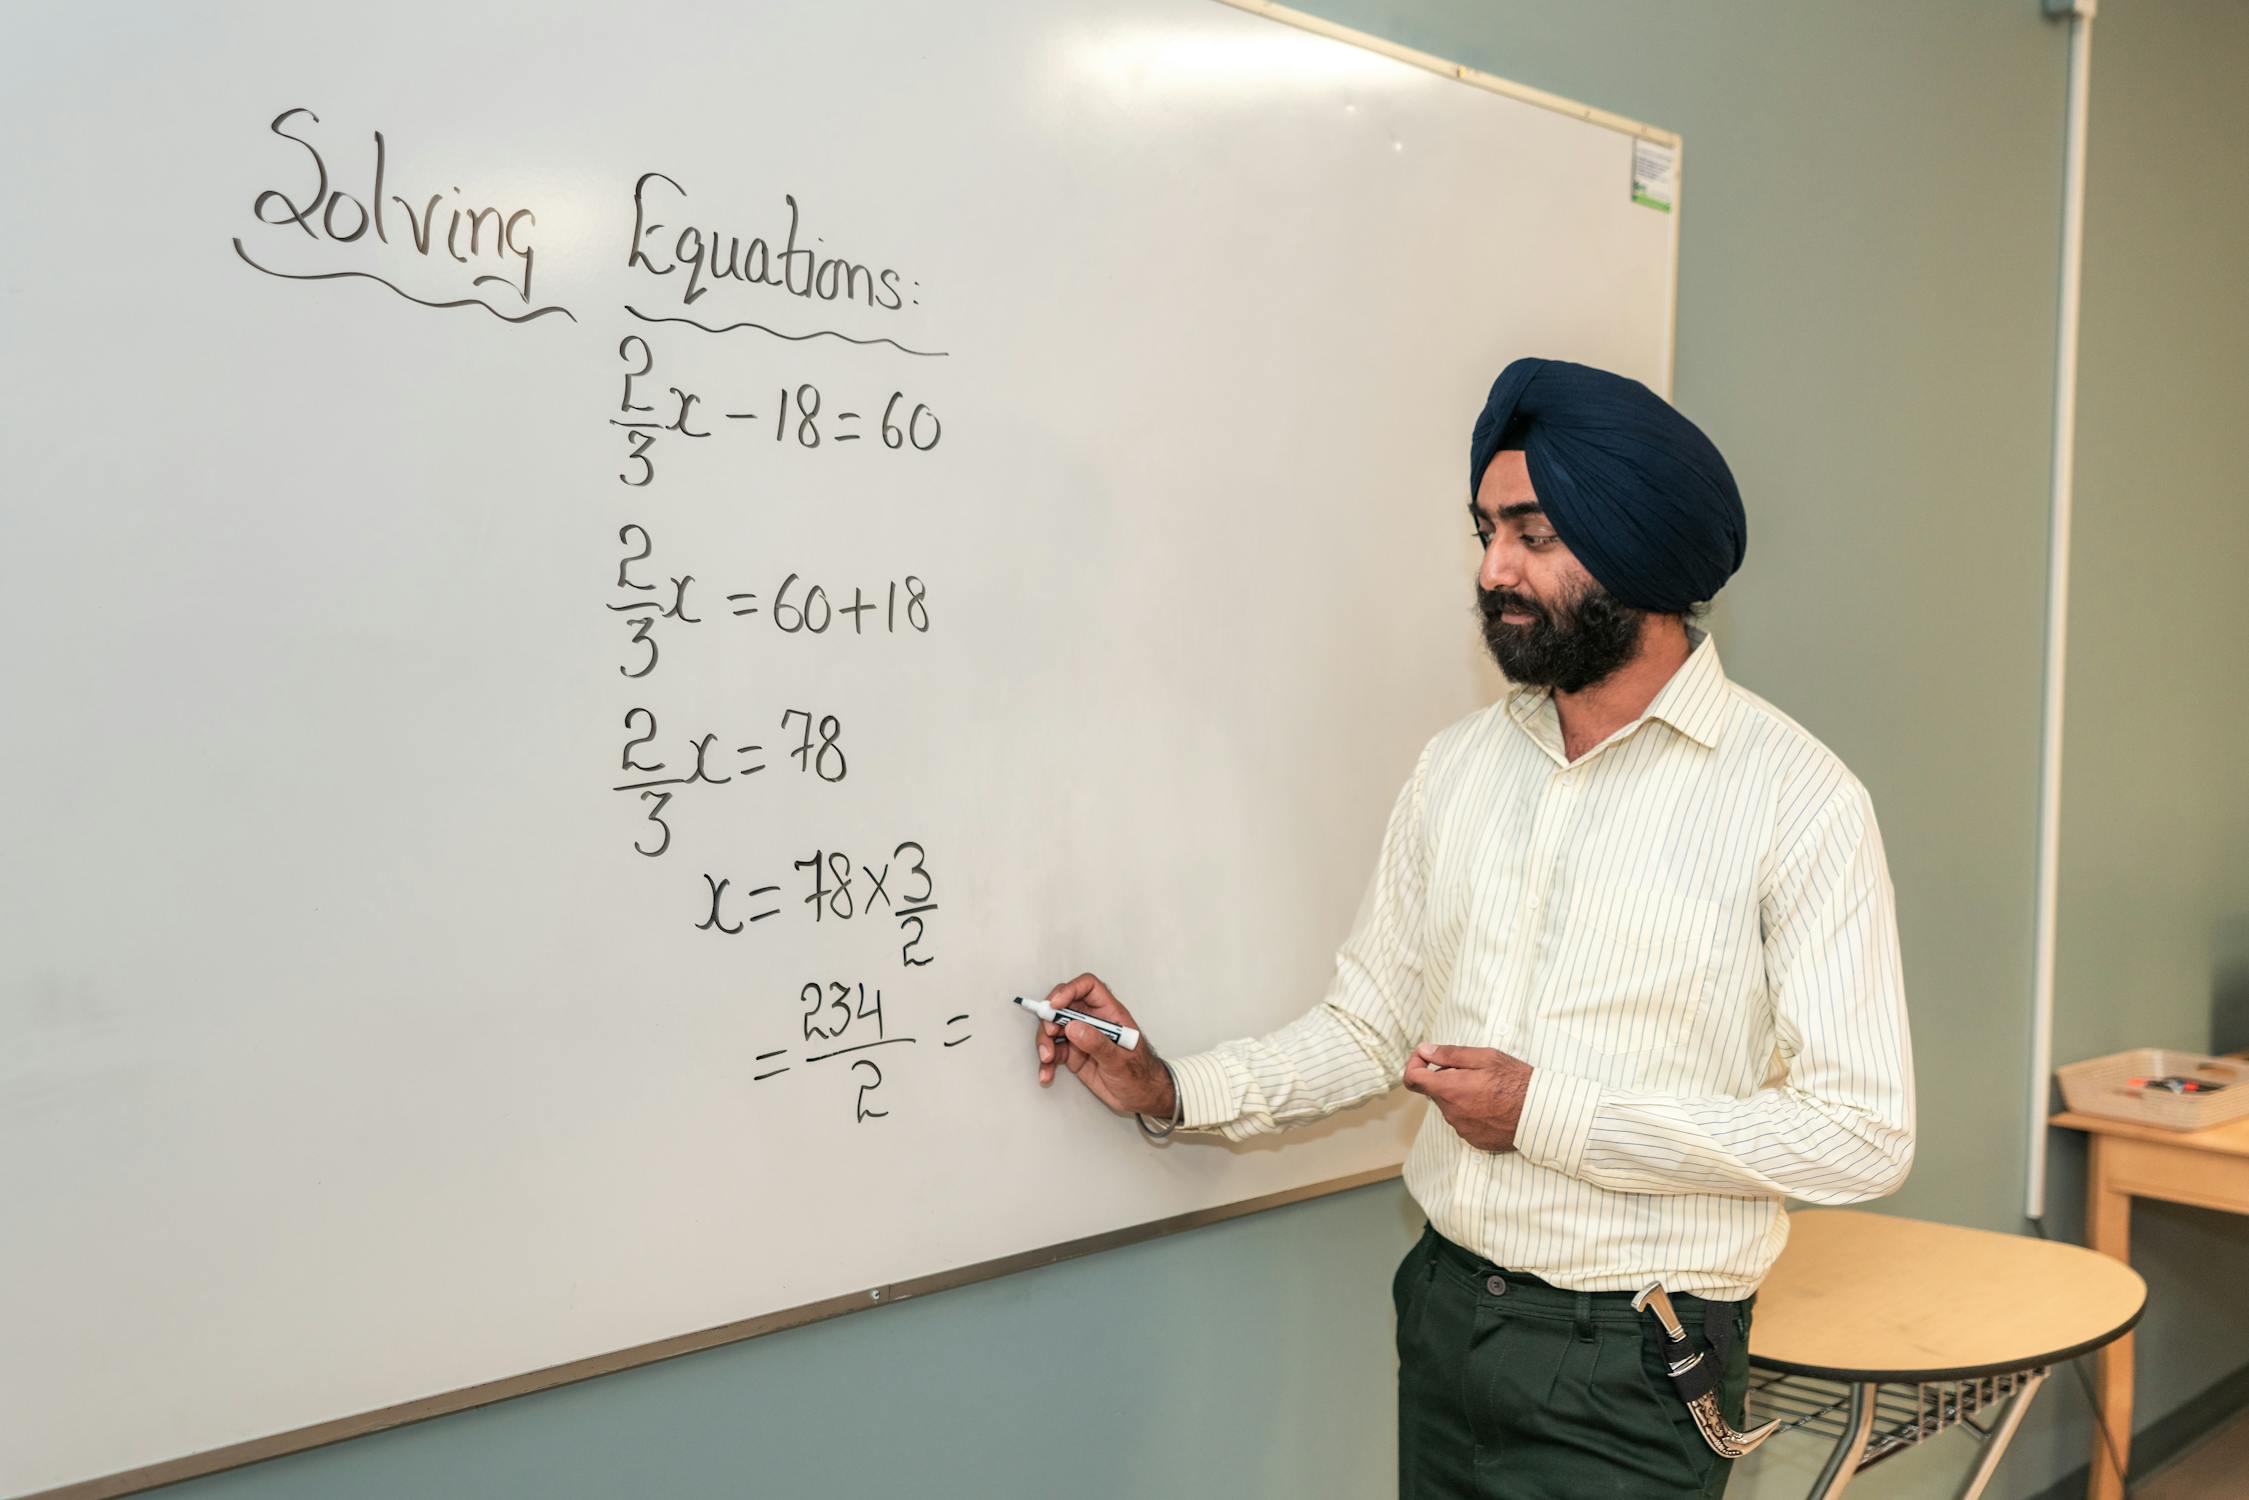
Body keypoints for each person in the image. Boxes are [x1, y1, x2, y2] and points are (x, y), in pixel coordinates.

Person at [1029, 357, 1916, 1499]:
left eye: (1533, 534)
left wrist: (1549, 1116)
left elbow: (1858, 1133)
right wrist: (1169, 1088)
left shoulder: (1797, 800)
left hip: (1638, 1366)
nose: (1491, 568)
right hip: (1445, 1320)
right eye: (1485, 529)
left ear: (1637, 550)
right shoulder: (1455, 769)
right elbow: (1368, 1031)